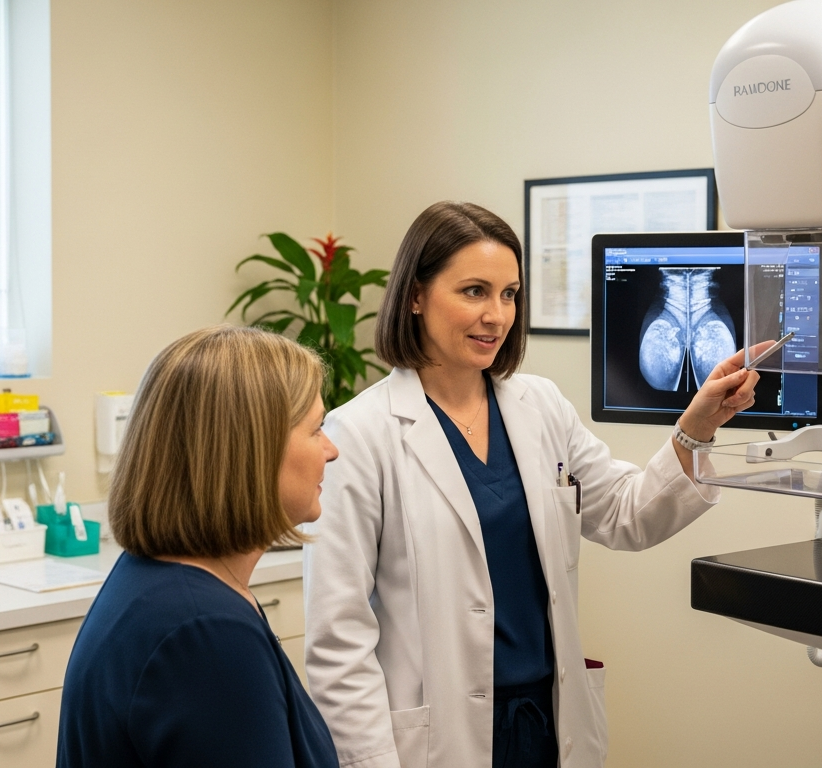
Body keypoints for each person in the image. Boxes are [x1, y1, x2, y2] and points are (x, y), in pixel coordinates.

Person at [303, 202, 763, 768]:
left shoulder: (539, 405)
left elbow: (627, 515)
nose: (497, 316)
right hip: (435, 739)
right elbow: (338, 641)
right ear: (416, 296)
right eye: (474, 291)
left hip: (549, 723)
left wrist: (696, 427)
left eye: (509, 294)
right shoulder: (359, 434)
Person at [58, 325, 341, 768]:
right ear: (252, 450)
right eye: (316, 428)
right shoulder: (205, 634)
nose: (331, 450)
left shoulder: (159, 583)